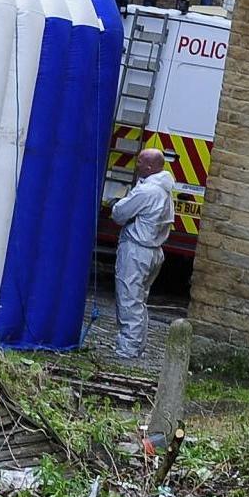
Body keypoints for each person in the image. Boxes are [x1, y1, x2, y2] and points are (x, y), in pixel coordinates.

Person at [107, 147, 177, 359]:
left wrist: (117, 208)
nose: (136, 165)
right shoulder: (163, 189)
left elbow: (120, 213)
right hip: (154, 251)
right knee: (139, 299)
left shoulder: (147, 191)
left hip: (137, 250)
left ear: (150, 166)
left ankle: (128, 349)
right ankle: (137, 345)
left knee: (129, 298)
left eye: (140, 162)